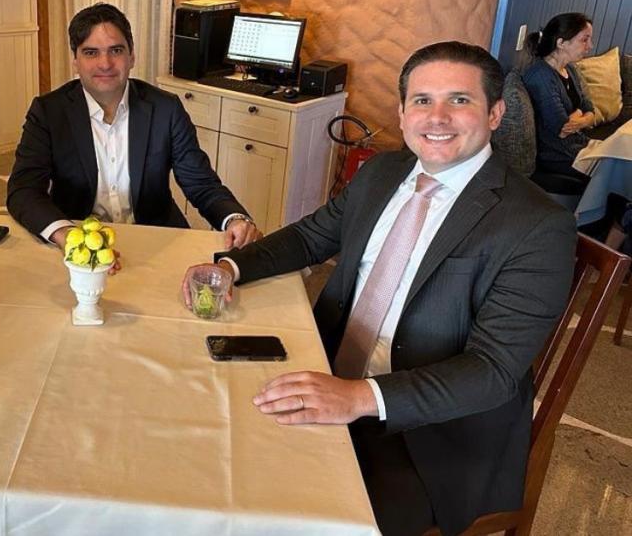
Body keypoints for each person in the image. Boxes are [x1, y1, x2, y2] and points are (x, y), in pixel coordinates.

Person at [181, 42, 575, 535]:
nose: (437, 117)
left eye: (459, 100)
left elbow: (492, 372)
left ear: (495, 113)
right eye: (422, 100)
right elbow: (308, 238)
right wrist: (230, 268)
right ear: (403, 114)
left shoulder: (537, 225)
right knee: (204, 448)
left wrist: (358, 397)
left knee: (292, 519)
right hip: (327, 369)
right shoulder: (382, 173)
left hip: (430, 435)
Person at [7, 2, 261, 258]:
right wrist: (68, 236)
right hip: (79, 242)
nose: (105, 63)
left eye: (116, 50)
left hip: (156, 239)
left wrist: (234, 219)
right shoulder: (48, 112)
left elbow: (201, 183)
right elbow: (24, 190)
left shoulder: (166, 108)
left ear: (131, 56)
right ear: (75, 60)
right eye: (91, 52)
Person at [522, 12, 595, 185]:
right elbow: (561, 128)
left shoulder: (570, 69)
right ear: (561, 43)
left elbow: (590, 108)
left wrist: (580, 117)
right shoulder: (541, 76)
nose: (590, 46)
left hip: (578, 144)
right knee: (618, 172)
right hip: (557, 154)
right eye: (584, 40)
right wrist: (584, 116)